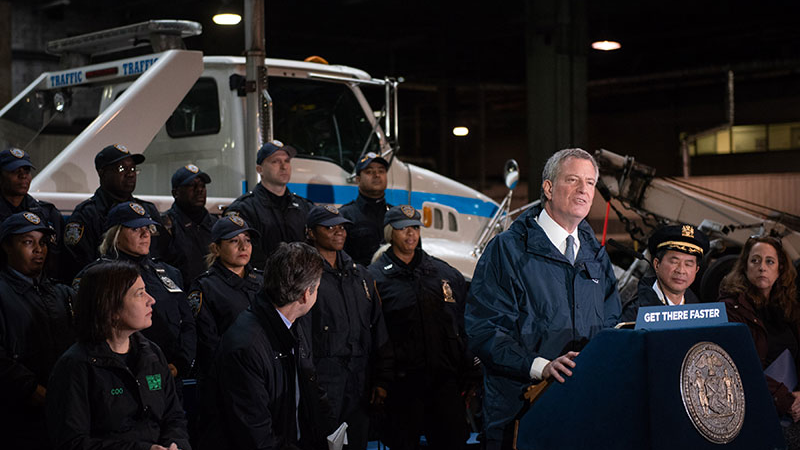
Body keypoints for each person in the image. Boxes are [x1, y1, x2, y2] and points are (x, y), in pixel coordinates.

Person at [465, 148, 621, 450]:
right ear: (548, 188)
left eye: (590, 183)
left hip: (584, 411)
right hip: (522, 415)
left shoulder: (596, 254)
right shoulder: (507, 250)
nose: (583, 190)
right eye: (573, 180)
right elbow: (485, 330)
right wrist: (541, 366)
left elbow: (611, 323)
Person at [198, 242, 337, 450]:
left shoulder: (292, 324)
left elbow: (311, 391)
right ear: (305, 294)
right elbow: (255, 437)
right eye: (317, 287)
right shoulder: (246, 347)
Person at [47, 261, 191, 450]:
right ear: (111, 308)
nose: (151, 299)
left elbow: (174, 417)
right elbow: (72, 442)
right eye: (140, 294)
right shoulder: (75, 366)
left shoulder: (152, 353)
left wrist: (175, 445)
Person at [368, 205, 473, 450]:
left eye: (415, 228)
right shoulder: (374, 278)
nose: (411, 234)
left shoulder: (444, 274)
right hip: (401, 387)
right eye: (403, 228)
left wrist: (470, 371)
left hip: (444, 384)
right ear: (390, 233)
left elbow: (463, 324)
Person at [74, 201, 196, 383]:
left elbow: (188, 322)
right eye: (135, 229)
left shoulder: (169, 273)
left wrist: (180, 363)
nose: (145, 234)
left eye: (148, 228)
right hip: (121, 376)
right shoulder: (97, 275)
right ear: (116, 234)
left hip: (168, 373)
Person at [305, 204, 393, 449]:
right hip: (323, 380)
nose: (338, 232)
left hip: (360, 380)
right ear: (311, 232)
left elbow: (378, 330)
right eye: (329, 227)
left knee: (357, 443)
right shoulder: (303, 275)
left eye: (342, 226)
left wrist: (381, 379)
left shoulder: (361, 276)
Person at [0, 211, 75, 450]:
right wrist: (31, 389)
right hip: (16, 416)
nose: (39, 250)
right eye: (28, 242)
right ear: (7, 247)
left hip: (64, 411)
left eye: (43, 243)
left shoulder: (62, 293)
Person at [719, 236, 800, 429]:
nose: (762, 267)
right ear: (745, 267)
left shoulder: (790, 307)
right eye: (755, 260)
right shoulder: (730, 308)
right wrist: (785, 399)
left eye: (769, 261)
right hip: (756, 407)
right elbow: (737, 364)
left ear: (780, 269)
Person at [64, 143, 164, 279]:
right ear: (102, 172)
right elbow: (80, 266)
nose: (130, 174)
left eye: (133, 168)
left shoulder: (148, 210)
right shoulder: (87, 214)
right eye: (122, 168)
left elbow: (164, 256)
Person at [189, 215, 262, 376]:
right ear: (216, 248)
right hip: (228, 375)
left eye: (247, 240)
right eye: (234, 241)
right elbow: (207, 343)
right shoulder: (205, 286)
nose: (244, 247)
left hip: (264, 370)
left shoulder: (263, 281)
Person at [225, 140, 313, 269]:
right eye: (275, 161)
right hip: (264, 283)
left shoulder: (304, 206)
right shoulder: (244, 208)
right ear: (260, 169)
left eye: (287, 161)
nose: (284, 167)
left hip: (302, 282)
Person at [0, 147, 67, 281]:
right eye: (15, 171)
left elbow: (60, 261)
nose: (23, 176)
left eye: (26, 171)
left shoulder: (48, 213)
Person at [620, 224, 710, 322]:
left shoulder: (701, 312)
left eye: (688, 264)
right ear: (657, 264)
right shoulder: (635, 312)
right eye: (674, 262)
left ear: (696, 270)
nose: (681, 270)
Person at [162, 164, 217, 287]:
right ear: (175, 193)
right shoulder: (166, 225)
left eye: (203, 185)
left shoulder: (216, 224)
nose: (199, 190)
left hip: (215, 295)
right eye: (192, 185)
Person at [339, 152, 392, 266]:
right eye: (369, 172)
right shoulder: (345, 216)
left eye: (381, 171)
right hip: (360, 280)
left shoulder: (396, 215)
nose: (377, 175)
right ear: (358, 179)